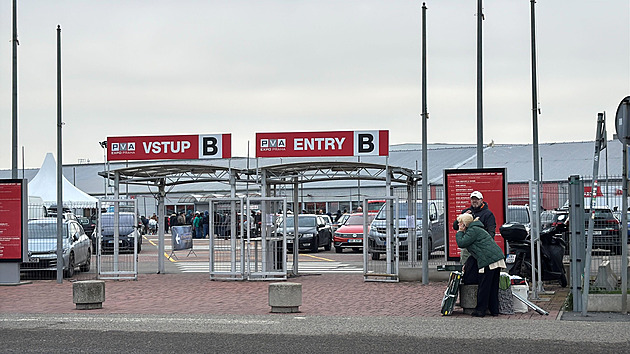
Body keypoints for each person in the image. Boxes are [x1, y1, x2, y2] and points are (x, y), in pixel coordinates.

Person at [455, 213, 505, 317]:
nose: (459, 225)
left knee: (484, 285)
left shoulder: (472, 231)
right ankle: (494, 310)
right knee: (493, 286)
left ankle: (480, 310)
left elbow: (461, 243)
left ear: (465, 225)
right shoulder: (476, 228)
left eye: (460, 223)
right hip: (496, 258)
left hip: (488, 260)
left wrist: (460, 232)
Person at [452, 190, 497, 284]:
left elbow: (491, 232)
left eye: (476, 199)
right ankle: (467, 286)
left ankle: (477, 286)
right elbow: (455, 226)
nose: (474, 201)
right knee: (466, 268)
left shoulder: (488, 214)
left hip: (481, 249)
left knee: (479, 270)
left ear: (481, 200)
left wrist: (484, 245)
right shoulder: (466, 212)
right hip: (467, 247)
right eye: (472, 199)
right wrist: (462, 216)